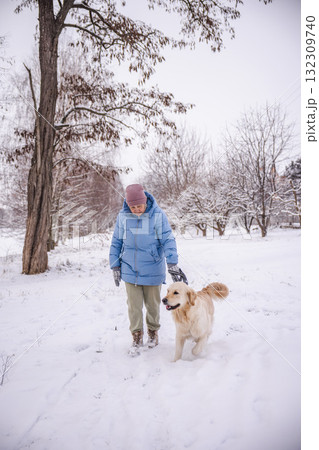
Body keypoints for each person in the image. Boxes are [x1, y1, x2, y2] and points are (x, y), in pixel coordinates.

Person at [109, 183, 188, 356]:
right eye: (133, 206)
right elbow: (116, 242)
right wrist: (115, 264)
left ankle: (153, 333)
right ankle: (136, 336)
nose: (136, 209)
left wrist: (172, 263)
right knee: (134, 307)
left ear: (145, 202)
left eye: (139, 206)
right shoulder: (123, 217)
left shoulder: (157, 216)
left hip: (153, 268)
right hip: (130, 269)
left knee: (153, 305)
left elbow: (168, 239)